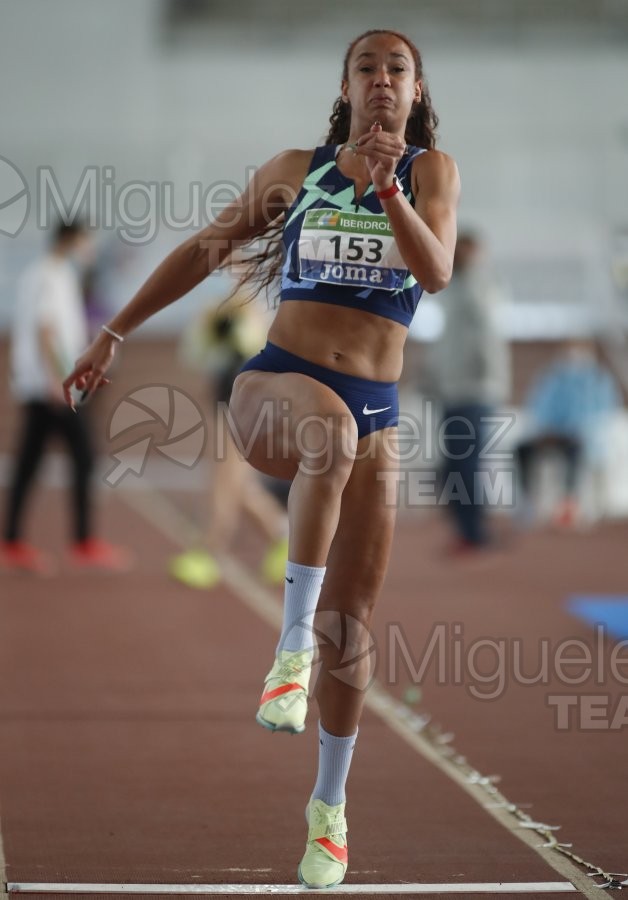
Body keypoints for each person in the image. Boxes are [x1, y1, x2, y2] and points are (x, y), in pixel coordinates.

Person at [62, 30, 459, 888]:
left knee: (351, 628)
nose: (382, 80)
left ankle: (329, 808)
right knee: (328, 437)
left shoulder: (431, 174)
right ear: (346, 86)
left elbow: (436, 271)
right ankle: (288, 655)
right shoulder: (297, 168)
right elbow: (206, 250)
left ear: (416, 89)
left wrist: (390, 187)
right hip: (279, 383)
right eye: (367, 68)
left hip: (377, 407)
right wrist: (112, 331)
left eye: (397, 69)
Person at [1, 221, 131, 574]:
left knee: (30, 462)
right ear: (70, 240)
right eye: (86, 242)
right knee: (82, 458)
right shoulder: (51, 276)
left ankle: (14, 541)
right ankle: (82, 541)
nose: (89, 250)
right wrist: (56, 379)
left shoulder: (47, 275)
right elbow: (45, 329)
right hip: (53, 388)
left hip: (45, 385)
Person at [169, 293, 289, 588]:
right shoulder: (220, 306)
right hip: (227, 399)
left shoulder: (265, 304)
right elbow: (198, 351)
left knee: (224, 482)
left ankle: (209, 552)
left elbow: (258, 346)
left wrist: (241, 320)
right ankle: (284, 539)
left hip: (249, 404)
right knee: (237, 485)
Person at [430, 231, 511, 553]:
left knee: (466, 463)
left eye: (462, 250)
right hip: (453, 390)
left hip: (475, 391)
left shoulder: (481, 286)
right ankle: (467, 528)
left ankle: (474, 532)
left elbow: (489, 338)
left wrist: (489, 382)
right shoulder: (455, 288)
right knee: (456, 463)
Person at [515, 338, 621, 528]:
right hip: (551, 435)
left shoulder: (599, 380)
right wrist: (544, 430)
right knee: (522, 449)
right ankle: (528, 503)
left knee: (574, 451)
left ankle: (568, 504)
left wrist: (575, 430)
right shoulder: (551, 378)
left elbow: (602, 414)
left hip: (580, 437)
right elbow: (539, 407)